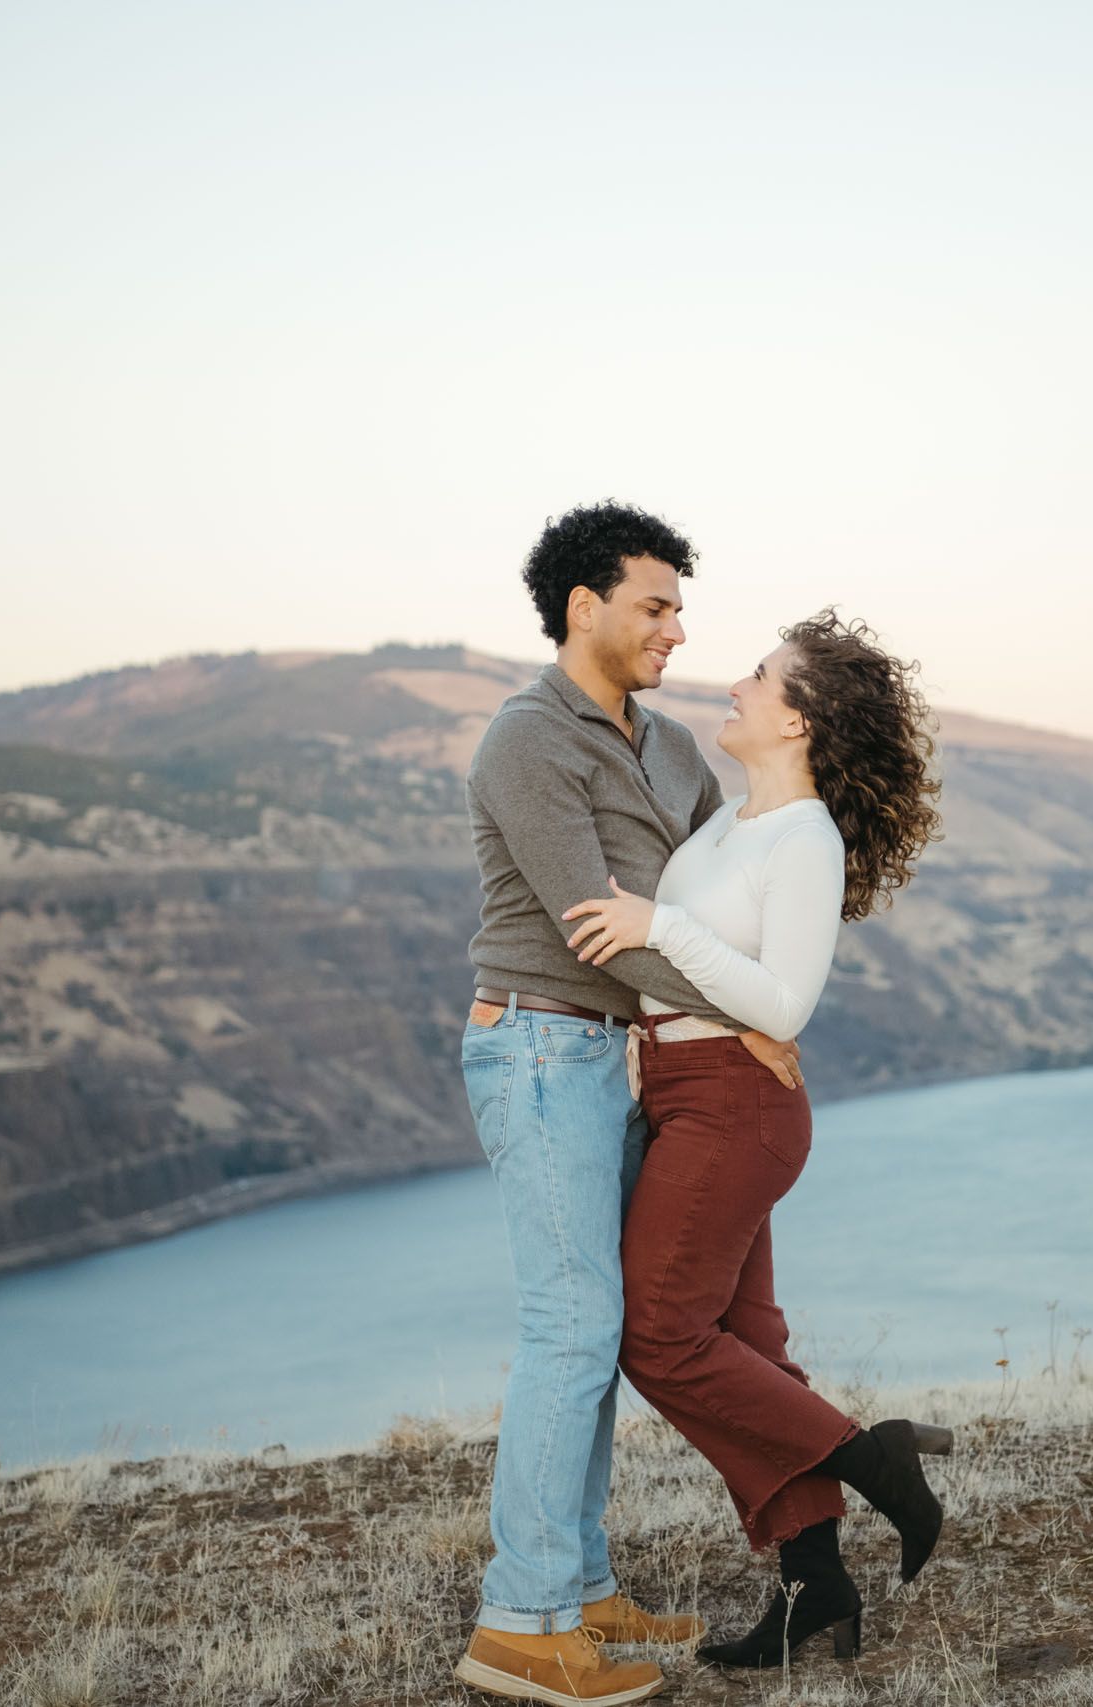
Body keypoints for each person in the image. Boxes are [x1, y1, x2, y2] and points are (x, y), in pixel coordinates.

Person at [452, 502, 804, 1707]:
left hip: (638, 1059)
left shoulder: (667, 751)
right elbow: (594, 925)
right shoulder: (524, 741)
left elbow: (719, 905)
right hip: (545, 1048)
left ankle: (581, 1582)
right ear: (582, 608)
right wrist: (753, 1021)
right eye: (654, 605)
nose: (675, 626)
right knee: (571, 1322)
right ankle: (520, 1624)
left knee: (595, 1328)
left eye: (678, 605)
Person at [560, 609, 948, 1670]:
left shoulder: (806, 837)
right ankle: (814, 1586)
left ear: (803, 720)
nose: (735, 683)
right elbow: (708, 984)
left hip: (736, 1108)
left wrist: (659, 926)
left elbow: (784, 1006)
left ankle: (877, 1463)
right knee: (750, 1347)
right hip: (692, 1094)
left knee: (660, 1336)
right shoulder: (731, 822)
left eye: (760, 676)